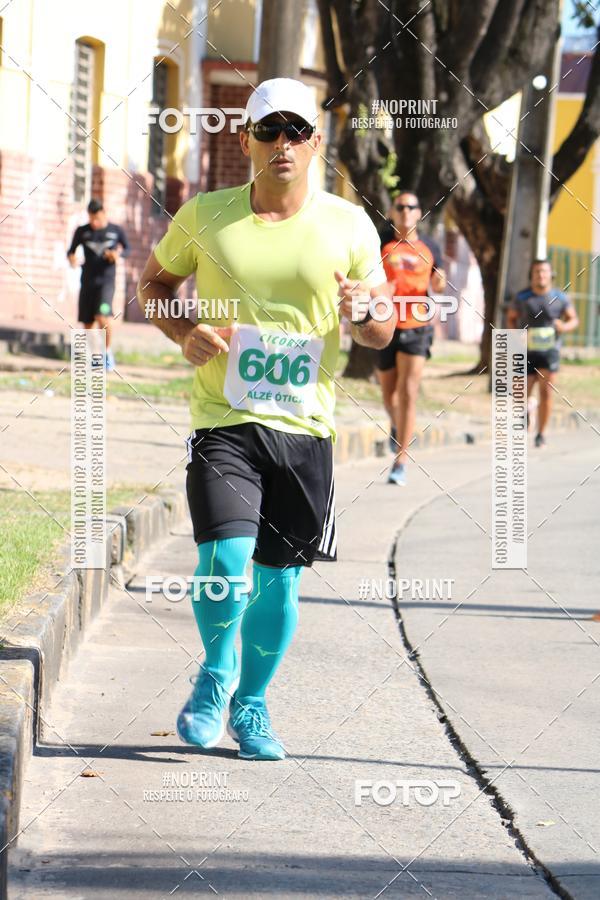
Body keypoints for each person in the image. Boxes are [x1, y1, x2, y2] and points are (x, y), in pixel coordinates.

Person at [137, 78, 394, 761]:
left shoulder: (349, 224)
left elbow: (381, 332)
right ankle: (217, 673)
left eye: (297, 131)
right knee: (223, 559)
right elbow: (153, 285)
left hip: (306, 428)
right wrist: (182, 330)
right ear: (245, 138)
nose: (284, 143)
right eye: (269, 129)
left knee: (278, 577)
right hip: (224, 418)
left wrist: (365, 312)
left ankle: (251, 706)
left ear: (316, 143)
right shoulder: (207, 215)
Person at [376, 191, 446, 486]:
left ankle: (401, 461)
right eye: (400, 207)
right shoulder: (381, 245)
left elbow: (438, 284)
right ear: (392, 212)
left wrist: (440, 282)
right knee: (389, 395)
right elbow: (369, 279)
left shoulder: (429, 247)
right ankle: (397, 424)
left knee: (408, 392)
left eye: (411, 207)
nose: (406, 211)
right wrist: (382, 290)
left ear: (420, 214)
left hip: (417, 324)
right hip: (385, 323)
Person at [507, 259, 578, 447]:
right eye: (537, 271)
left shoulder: (560, 298)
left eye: (544, 271)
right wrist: (516, 335)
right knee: (521, 392)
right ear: (532, 275)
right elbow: (511, 318)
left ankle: (541, 434)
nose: (541, 275)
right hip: (526, 351)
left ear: (550, 274)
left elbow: (573, 320)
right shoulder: (522, 297)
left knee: (546, 392)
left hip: (549, 351)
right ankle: (527, 412)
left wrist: (564, 326)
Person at [67, 199, 129, 371]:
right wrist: (72, 259)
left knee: (103, 317)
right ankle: (95, 356)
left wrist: (117, 255)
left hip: (106, 282)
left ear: (103, 213)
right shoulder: (82, 231)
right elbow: (71, 251)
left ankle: (107, 353)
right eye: (91, 218)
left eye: (97, 218)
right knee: (87, 324)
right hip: (87, 282)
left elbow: (127, 249)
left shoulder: (115, 231)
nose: (94, 222)